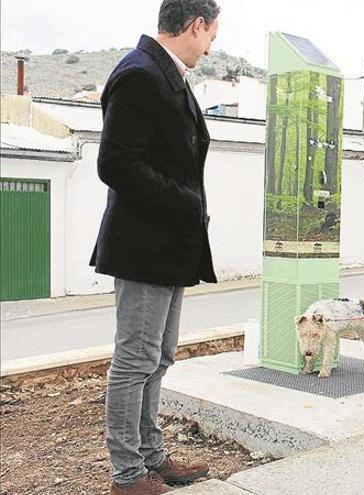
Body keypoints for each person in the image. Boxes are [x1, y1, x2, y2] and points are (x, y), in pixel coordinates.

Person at [90, 1, 220, 493]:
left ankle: (150, 457)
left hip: (169, 245)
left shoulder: (164, 73)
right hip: (143, 245)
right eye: (211, 36)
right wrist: (185, 200)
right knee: (135, 360)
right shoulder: (139, 73)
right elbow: (116, 164)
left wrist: (187, 209)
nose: (210, 47)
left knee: (159, 356)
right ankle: (127, 476)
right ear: (196, 25)